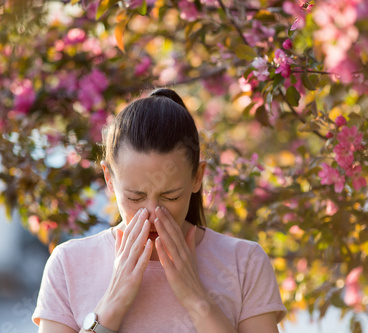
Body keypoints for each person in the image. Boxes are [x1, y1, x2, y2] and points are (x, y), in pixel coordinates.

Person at [32, 88, 286, 333]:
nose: (153, 213)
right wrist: (111, 306)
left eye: (170, 196)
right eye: (135, 197)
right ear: (109, 179)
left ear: (197, 177)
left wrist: (197, 299)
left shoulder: (245, 263)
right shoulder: (68, 264)